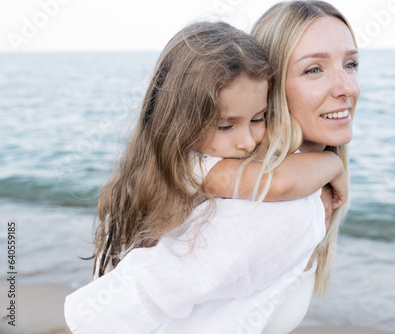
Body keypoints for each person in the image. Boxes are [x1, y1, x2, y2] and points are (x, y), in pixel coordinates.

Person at [65, 19, 349, 333]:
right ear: (181, 124)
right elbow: (280, 183)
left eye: (259, 118)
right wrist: (332, 166)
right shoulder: (198, 166)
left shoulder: (168, 166)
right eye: (226, 126)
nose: (247, 141)